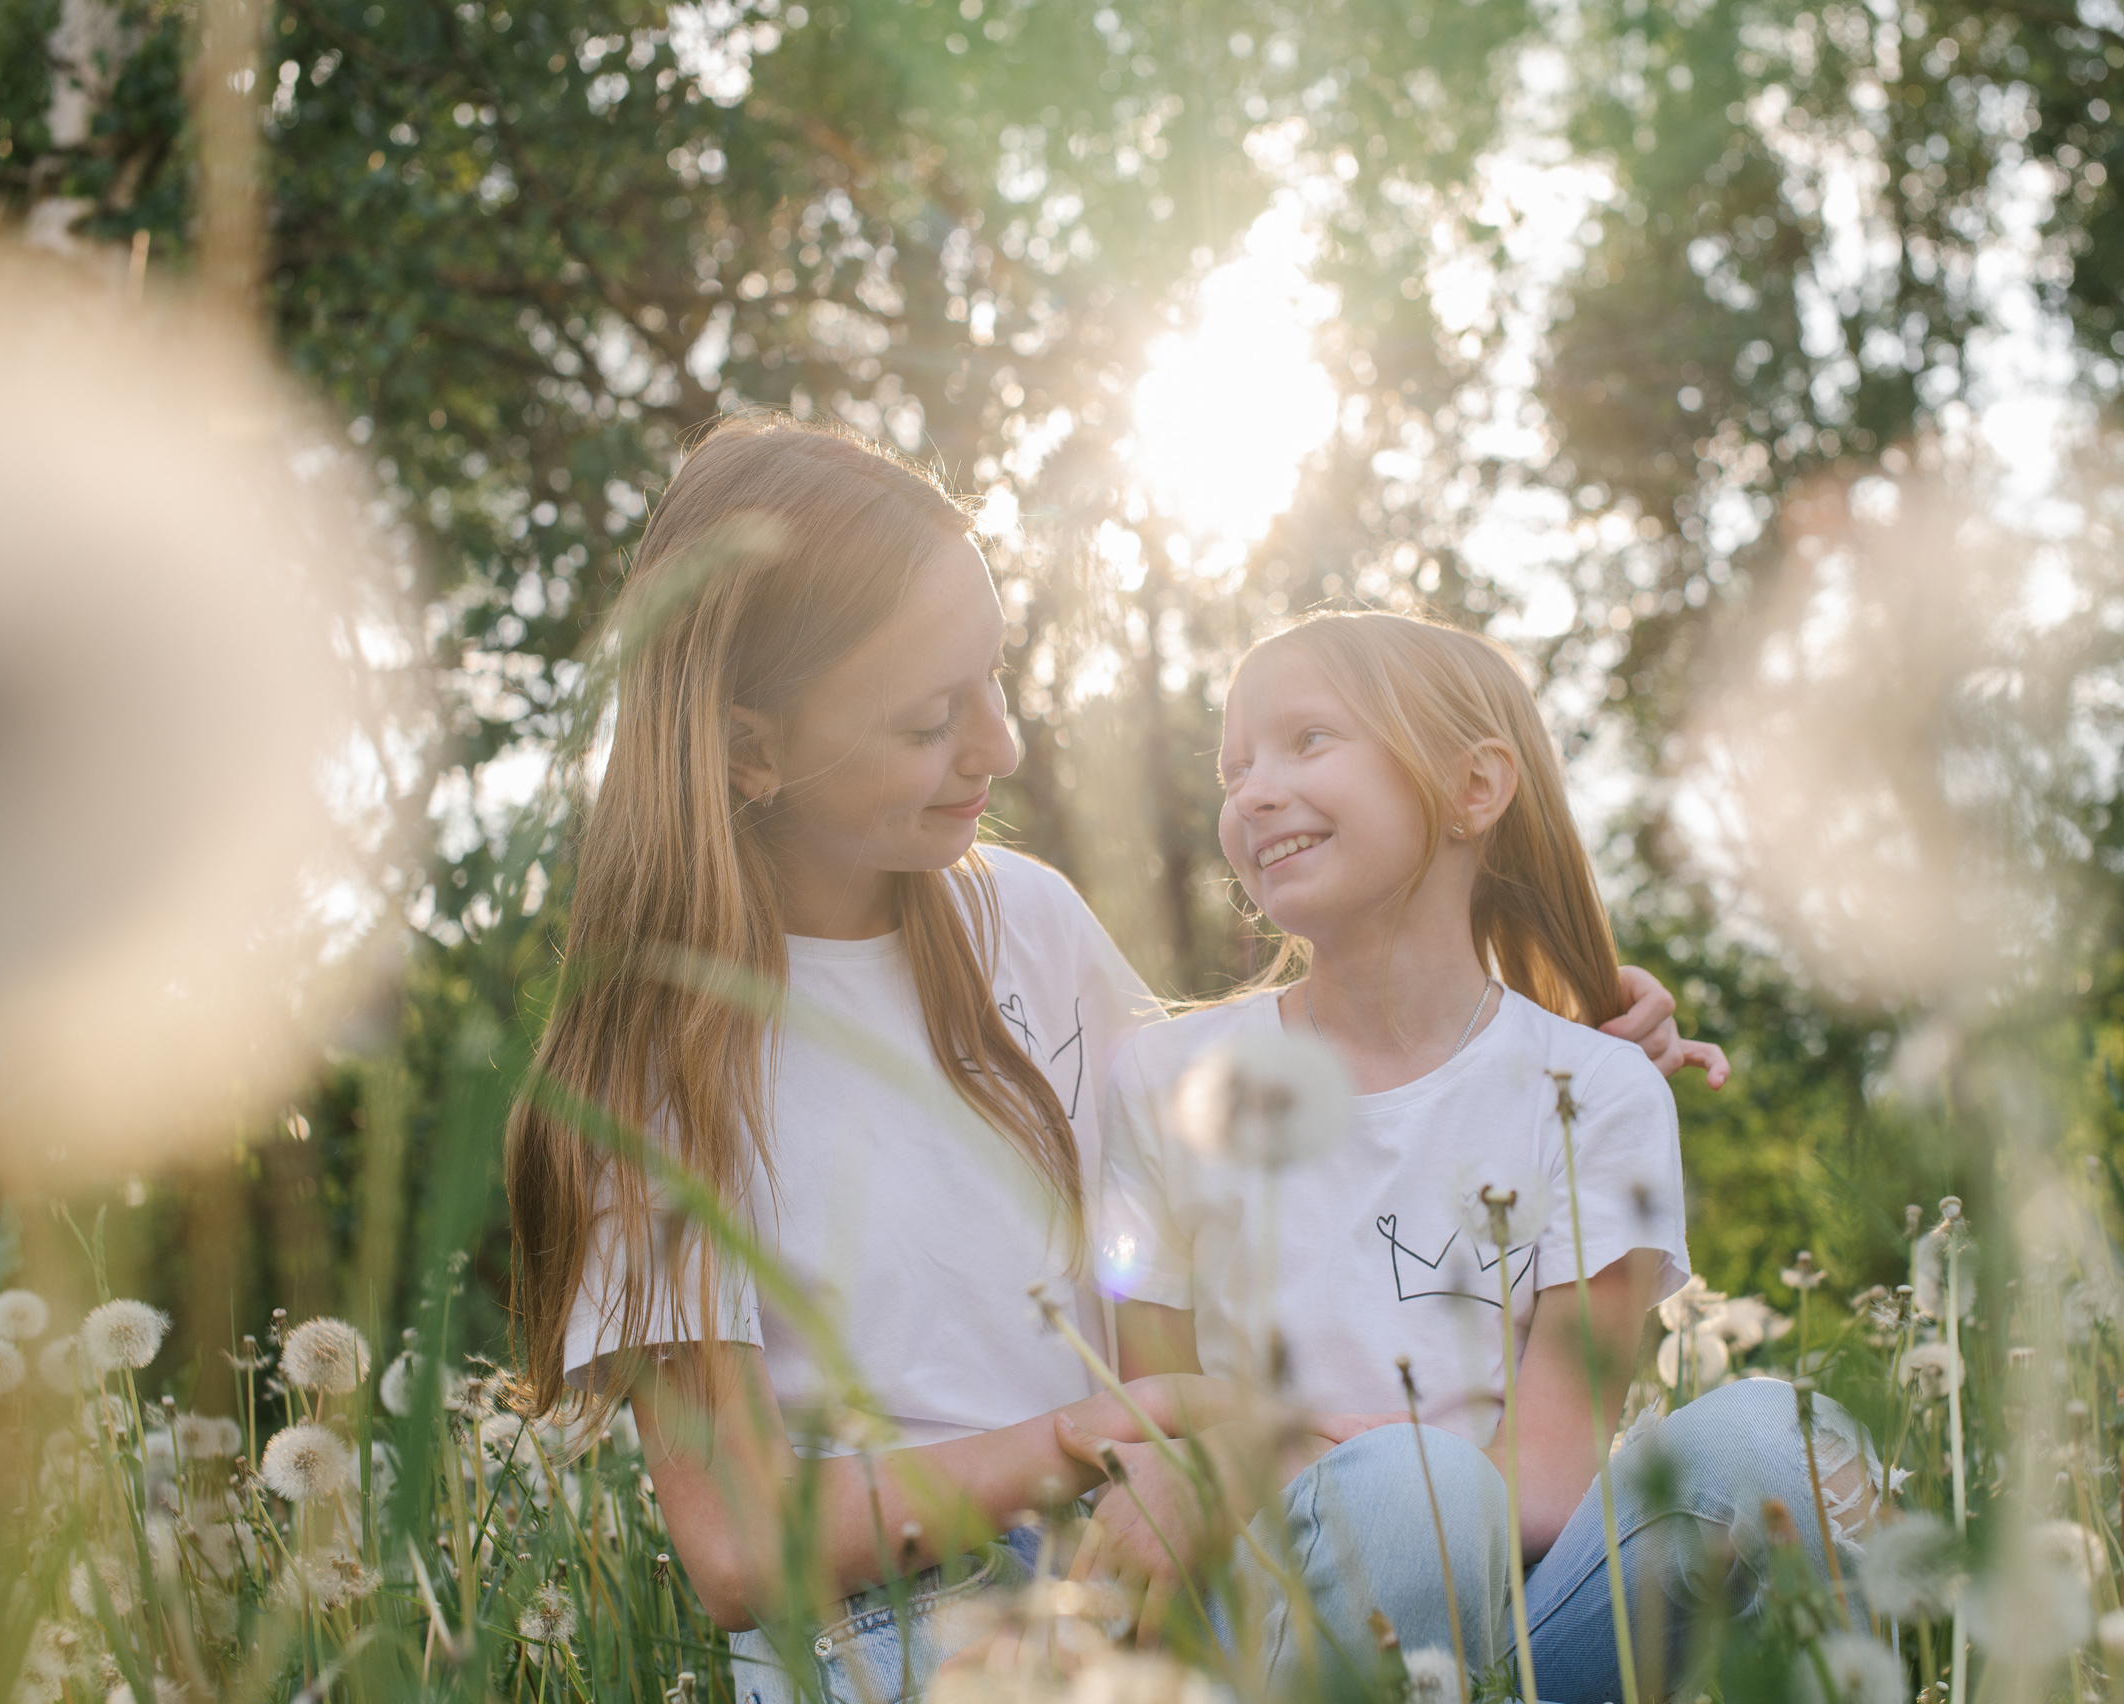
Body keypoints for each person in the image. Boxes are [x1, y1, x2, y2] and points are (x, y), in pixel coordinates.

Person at [503, 417, 1722, 1704]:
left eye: (994, 678)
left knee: (1707, 1474)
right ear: (752, 749)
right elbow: (741, 1547)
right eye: (931, 719)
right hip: (896, 1639)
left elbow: (1284, 1099)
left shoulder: (1023, 920)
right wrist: (1101, 1434)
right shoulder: (655, 1067)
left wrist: (1546, 1045)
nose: (1001, 746)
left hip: (1149, 1591)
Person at [1092, 612, 1881, 1701]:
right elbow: (1156, 1417)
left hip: (1525, 1616)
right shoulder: (1164, 1079)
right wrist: (1338, 1473)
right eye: (1235, 768)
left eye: (1308, 740)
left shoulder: (1597, 1093)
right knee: (1401, 1495)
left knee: (1778, 1440)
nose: (1253, 792)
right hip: (1257, 1620)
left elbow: (1550, 1481)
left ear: (1474, 787)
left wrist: (1352, 1461)